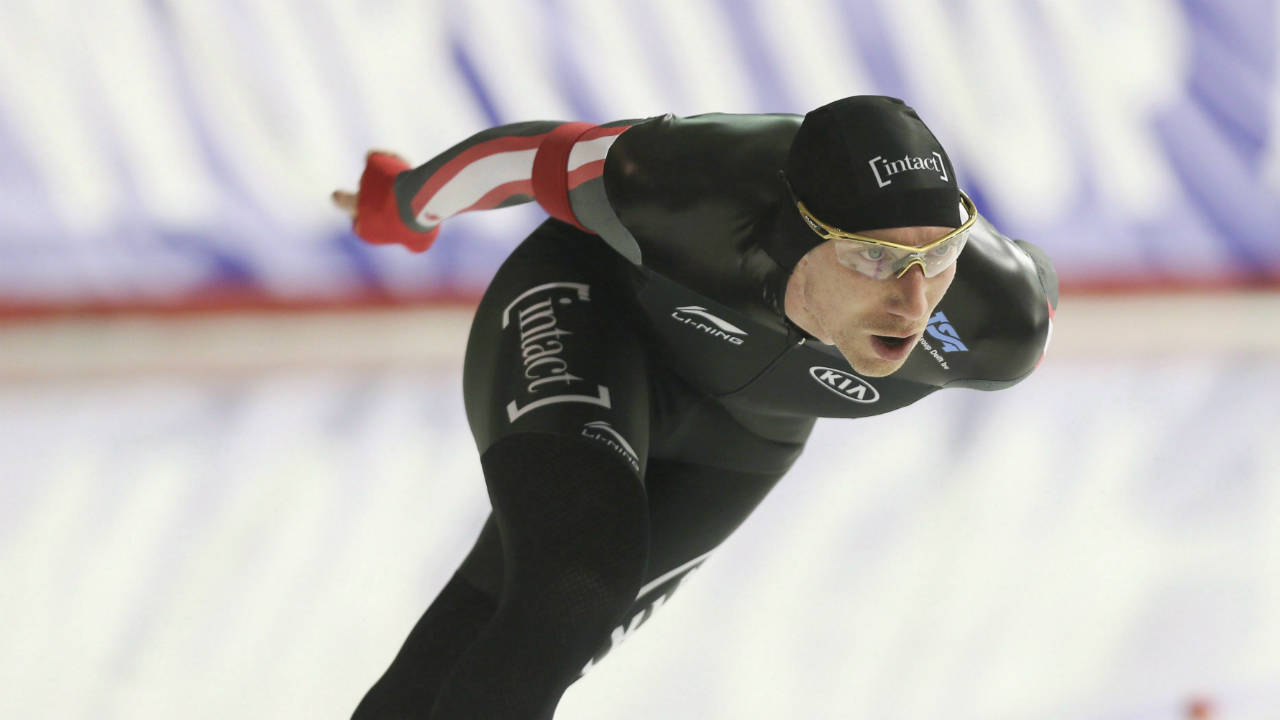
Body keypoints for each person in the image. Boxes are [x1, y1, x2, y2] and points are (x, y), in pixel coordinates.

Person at [332, 95, 1057, 720]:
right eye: (875, 257)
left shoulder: (997, 323)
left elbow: (1033, 283)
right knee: (577, 581)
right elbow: (527, 159)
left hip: (744, 434)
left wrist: (925, 259)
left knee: (535, 634)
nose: (914, 302)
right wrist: (403, 205)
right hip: (600, 315)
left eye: (939, 256)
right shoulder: (681, 183)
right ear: (799, 236)